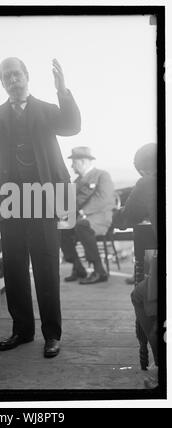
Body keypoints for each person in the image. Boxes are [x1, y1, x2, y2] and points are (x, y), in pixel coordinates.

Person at [0, 57, 81, 358]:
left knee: (46, 267)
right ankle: (22, 330)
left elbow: (72, 126)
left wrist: (63, 91)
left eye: (16, 74)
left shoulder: (48, 111)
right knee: (16, 268)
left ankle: (51, 335)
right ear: (1, 82)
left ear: (26, 76)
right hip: (10, 202)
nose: (12, 80)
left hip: (44, 198)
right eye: (6, 76)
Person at [114, 143, 157, 388]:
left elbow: (126, 218)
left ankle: (161, 366)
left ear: (141, 169)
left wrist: (118, 214)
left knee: (141, 296)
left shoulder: (147, 183)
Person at [61, 146, 115, 284]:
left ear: (84, 161)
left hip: (101, 217)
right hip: (82, 219)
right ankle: (78, 268)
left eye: (74, 162)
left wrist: (83, 212)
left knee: (81, 225)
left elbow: (103, 197)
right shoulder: (77, 182)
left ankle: (99, 271)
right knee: (61, 227)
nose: (72, 166)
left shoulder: (102, 175)